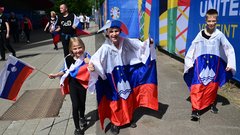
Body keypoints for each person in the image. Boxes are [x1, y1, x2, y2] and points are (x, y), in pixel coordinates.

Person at [87, 20, 158, 135]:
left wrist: (147, 42)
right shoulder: (105, 47)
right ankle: (115, 122)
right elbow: (96, 59)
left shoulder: (124, 41)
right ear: (107, 33)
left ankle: (128, 118)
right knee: (115, 99)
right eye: (111, 31)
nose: (114, 34)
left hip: (125, 74)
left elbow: (138, 45)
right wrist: (92, 66)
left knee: (127, 96)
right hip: (112, 77)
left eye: (116, 31)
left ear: (120, 31)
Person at [183, 9, 236, 121]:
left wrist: (230, 63)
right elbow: (193, 47)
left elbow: (228, 48)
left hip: (214, 64)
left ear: (217, 21)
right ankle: (195, 110)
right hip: (200, 64)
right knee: (197, 85)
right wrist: (189, 62)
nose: (211, 23)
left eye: (214, 21)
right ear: (205, 20)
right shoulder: (200, 35)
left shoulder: (219, 35)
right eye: (209, 21)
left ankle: (211, 103)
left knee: (212, 86)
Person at [49, 37, 90, 135]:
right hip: (73, 84)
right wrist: (55, 75)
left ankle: (82, 117)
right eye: (75, 49)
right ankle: (77, 128)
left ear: (83, 47)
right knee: (75, 105)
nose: (77, 50)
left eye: (79, 47)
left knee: (82, 103)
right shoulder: (68, 58)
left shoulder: (86, 56)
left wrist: (90, 64)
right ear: (71, 49)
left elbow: (93, 69)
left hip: (82, 84)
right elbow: (64, 70)